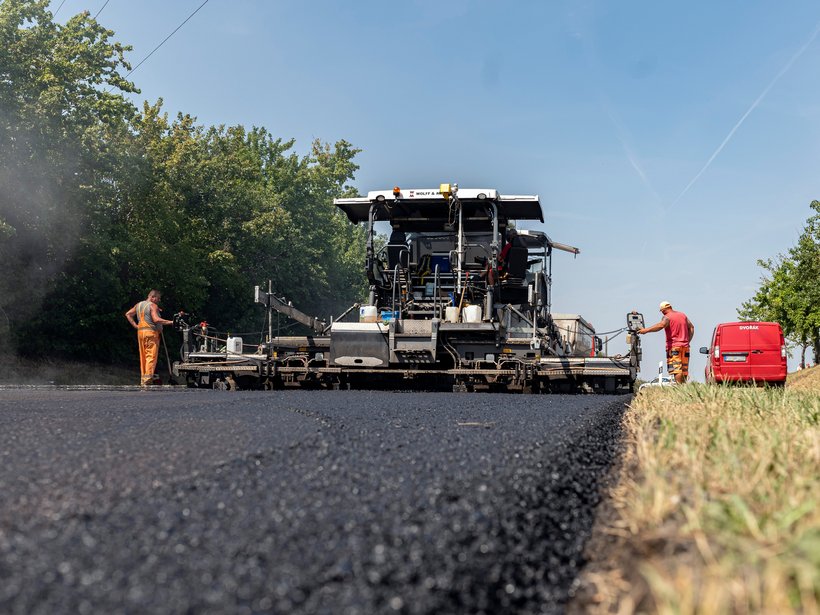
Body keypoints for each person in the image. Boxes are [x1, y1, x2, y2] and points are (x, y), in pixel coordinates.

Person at [125, 290, 174, 386]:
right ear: (152, 297)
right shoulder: (152, 305)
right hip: (151, 333)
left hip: (141, 333)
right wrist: (172, 322)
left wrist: (135, 325)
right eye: (158, 298)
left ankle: (143, 379)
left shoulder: (139, 305)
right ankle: (148, 379)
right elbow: (156, 319)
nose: (159, 301)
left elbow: (128, 314)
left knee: (143, 355)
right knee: (151, 355)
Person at [638, 301, 695, 384]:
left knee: (677, 369)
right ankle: (684, 388)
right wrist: (687, 340)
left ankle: (679, 389)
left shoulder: (667, 317)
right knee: (684, 369)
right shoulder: (682, 315)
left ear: (663, 310)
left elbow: (661, 325)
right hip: (685, 346)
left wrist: (646, 330)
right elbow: (691, 327)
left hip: (674, 347)